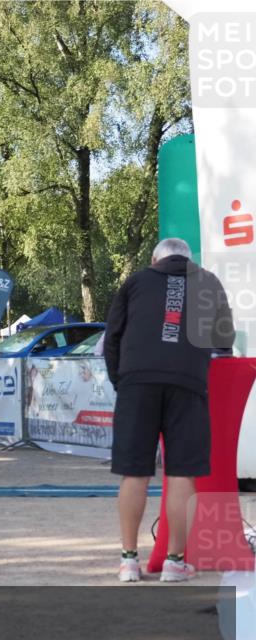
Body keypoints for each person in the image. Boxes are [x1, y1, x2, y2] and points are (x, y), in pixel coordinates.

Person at [105, 237, 234, 583]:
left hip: (137, 383)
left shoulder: (134, 281)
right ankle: (175, 563)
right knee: (181, 474)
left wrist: (122, 381)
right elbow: (225, 341)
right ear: (189, 260)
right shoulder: (208, 282)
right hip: (187, 384)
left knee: (134, 472)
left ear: (154, 260)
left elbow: (112, 338)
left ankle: (128, 560)